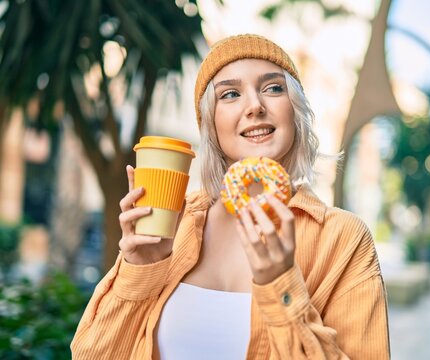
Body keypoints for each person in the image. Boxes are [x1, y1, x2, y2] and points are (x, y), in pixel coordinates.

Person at [71, 34, 390, 359]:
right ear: (211, 122)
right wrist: (140, 269)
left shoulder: (344, 239)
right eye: (231, 94)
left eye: (273, 88)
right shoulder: (174, 222)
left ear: (294, 109)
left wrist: (280, 283)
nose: (254, 106)